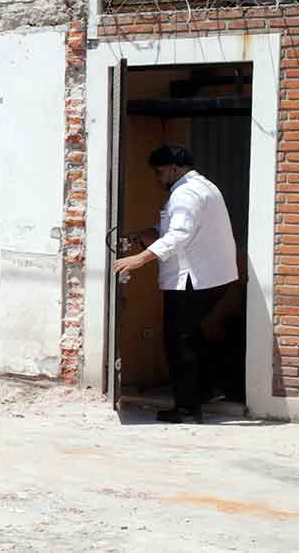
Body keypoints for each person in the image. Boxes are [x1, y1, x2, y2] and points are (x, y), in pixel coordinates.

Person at [114, 145, 238, 424]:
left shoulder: (185, 193)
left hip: (192, 279)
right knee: (190, 335)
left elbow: (180, 235)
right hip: (212, 277)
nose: (158, 179)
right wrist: (141, 237)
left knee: (178, 342)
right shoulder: (204, 187)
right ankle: (208, 389)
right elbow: (174, 232)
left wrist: (140, 259)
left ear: (174, 167)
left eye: (159, 172)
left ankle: (187, 409)